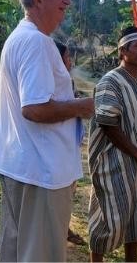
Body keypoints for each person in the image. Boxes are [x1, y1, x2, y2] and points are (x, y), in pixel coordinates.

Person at [0, 0, 94, 262]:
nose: (68, 1)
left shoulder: (20, 38)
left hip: (24, 167)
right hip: (42, 172)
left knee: (16, 251)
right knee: (39, 255)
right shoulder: (37, 42)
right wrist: (82, 106)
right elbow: (34, 108)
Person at [88, 26, 137, 262]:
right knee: (108, 216)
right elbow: (108, 125)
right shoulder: (110, 81)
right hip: (115, 163)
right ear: (123, 51)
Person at [54, 40, 86, 246]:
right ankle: (59, 231)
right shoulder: (52, 82)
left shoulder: (67, 81)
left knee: (69, 190)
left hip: (69, 146)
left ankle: (64, 228)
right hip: (57, 148)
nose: (70, 61)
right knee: (60, 192)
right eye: (66, 57)